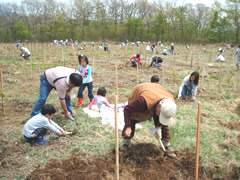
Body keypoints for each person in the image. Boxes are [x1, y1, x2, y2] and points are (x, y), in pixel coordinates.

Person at [120, 83, 177, 158]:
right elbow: (127, 109)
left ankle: (166, 145)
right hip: (141, 91)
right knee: (132, 118)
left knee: (163, 123)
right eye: (161, 114)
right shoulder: (141, 102)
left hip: (156, 91)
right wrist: (128, 126)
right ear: (159, 106)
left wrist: (159, 128)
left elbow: (163, 117)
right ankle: (125, 143)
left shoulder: (170, 104)